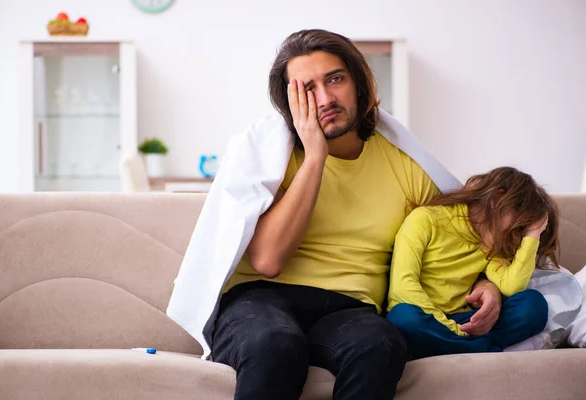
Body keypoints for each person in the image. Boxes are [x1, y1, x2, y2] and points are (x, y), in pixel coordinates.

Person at [210, 29, 504, 400]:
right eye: (307, 89)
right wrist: (316, 157)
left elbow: (454, 244)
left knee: (381, 344)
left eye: (335, 79)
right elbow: (268, 260)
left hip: (352, 308)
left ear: (359, 82)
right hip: (261, 300)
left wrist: (486, 283)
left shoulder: (406, 167)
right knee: (275, 345)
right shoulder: (276, 159)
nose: (326, 98)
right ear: (290, 101)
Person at [387, 167, 557, 359]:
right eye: (520, 228)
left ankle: (459, 347)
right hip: (425, 317)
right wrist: (453, 330)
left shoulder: (493, 245)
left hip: (465, 322)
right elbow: (403, 286)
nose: (517, 238)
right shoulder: (425, 219)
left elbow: (512, 286)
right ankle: (486, 349)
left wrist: (533, 235)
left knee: (533, 305)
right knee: (402, 319)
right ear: (496, 201)